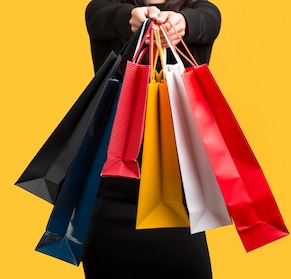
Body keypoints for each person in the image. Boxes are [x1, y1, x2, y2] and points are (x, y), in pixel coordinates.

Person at [82, 1, 221, 278]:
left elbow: (206, 21)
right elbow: (102, 17)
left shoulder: (201, 12)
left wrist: (184, 23)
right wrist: (131, 21)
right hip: (110, 192)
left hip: (177, 194)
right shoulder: (105, 8)